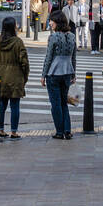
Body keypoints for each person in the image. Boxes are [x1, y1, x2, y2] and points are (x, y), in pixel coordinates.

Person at [0, 16, 29, 138]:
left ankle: (0, 129)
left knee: (1, 104)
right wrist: (24, 76)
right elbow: (24, 62)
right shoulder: (18, 42)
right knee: (15, 105)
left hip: (1, 76)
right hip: (16, 76)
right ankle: (14, 131)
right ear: (13, 27)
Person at [41, 10, 76, 139]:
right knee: (64, 103)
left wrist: (43, 75)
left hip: (54, 73)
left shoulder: (53, 37)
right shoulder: (72, 36)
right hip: (67, 72)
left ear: (57, 22)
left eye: (51, 20)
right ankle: (67, 130)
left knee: (55, 104)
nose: (50, 23)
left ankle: (59, 132)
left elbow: (48, 57)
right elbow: (73, 57)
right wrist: (74, 74)